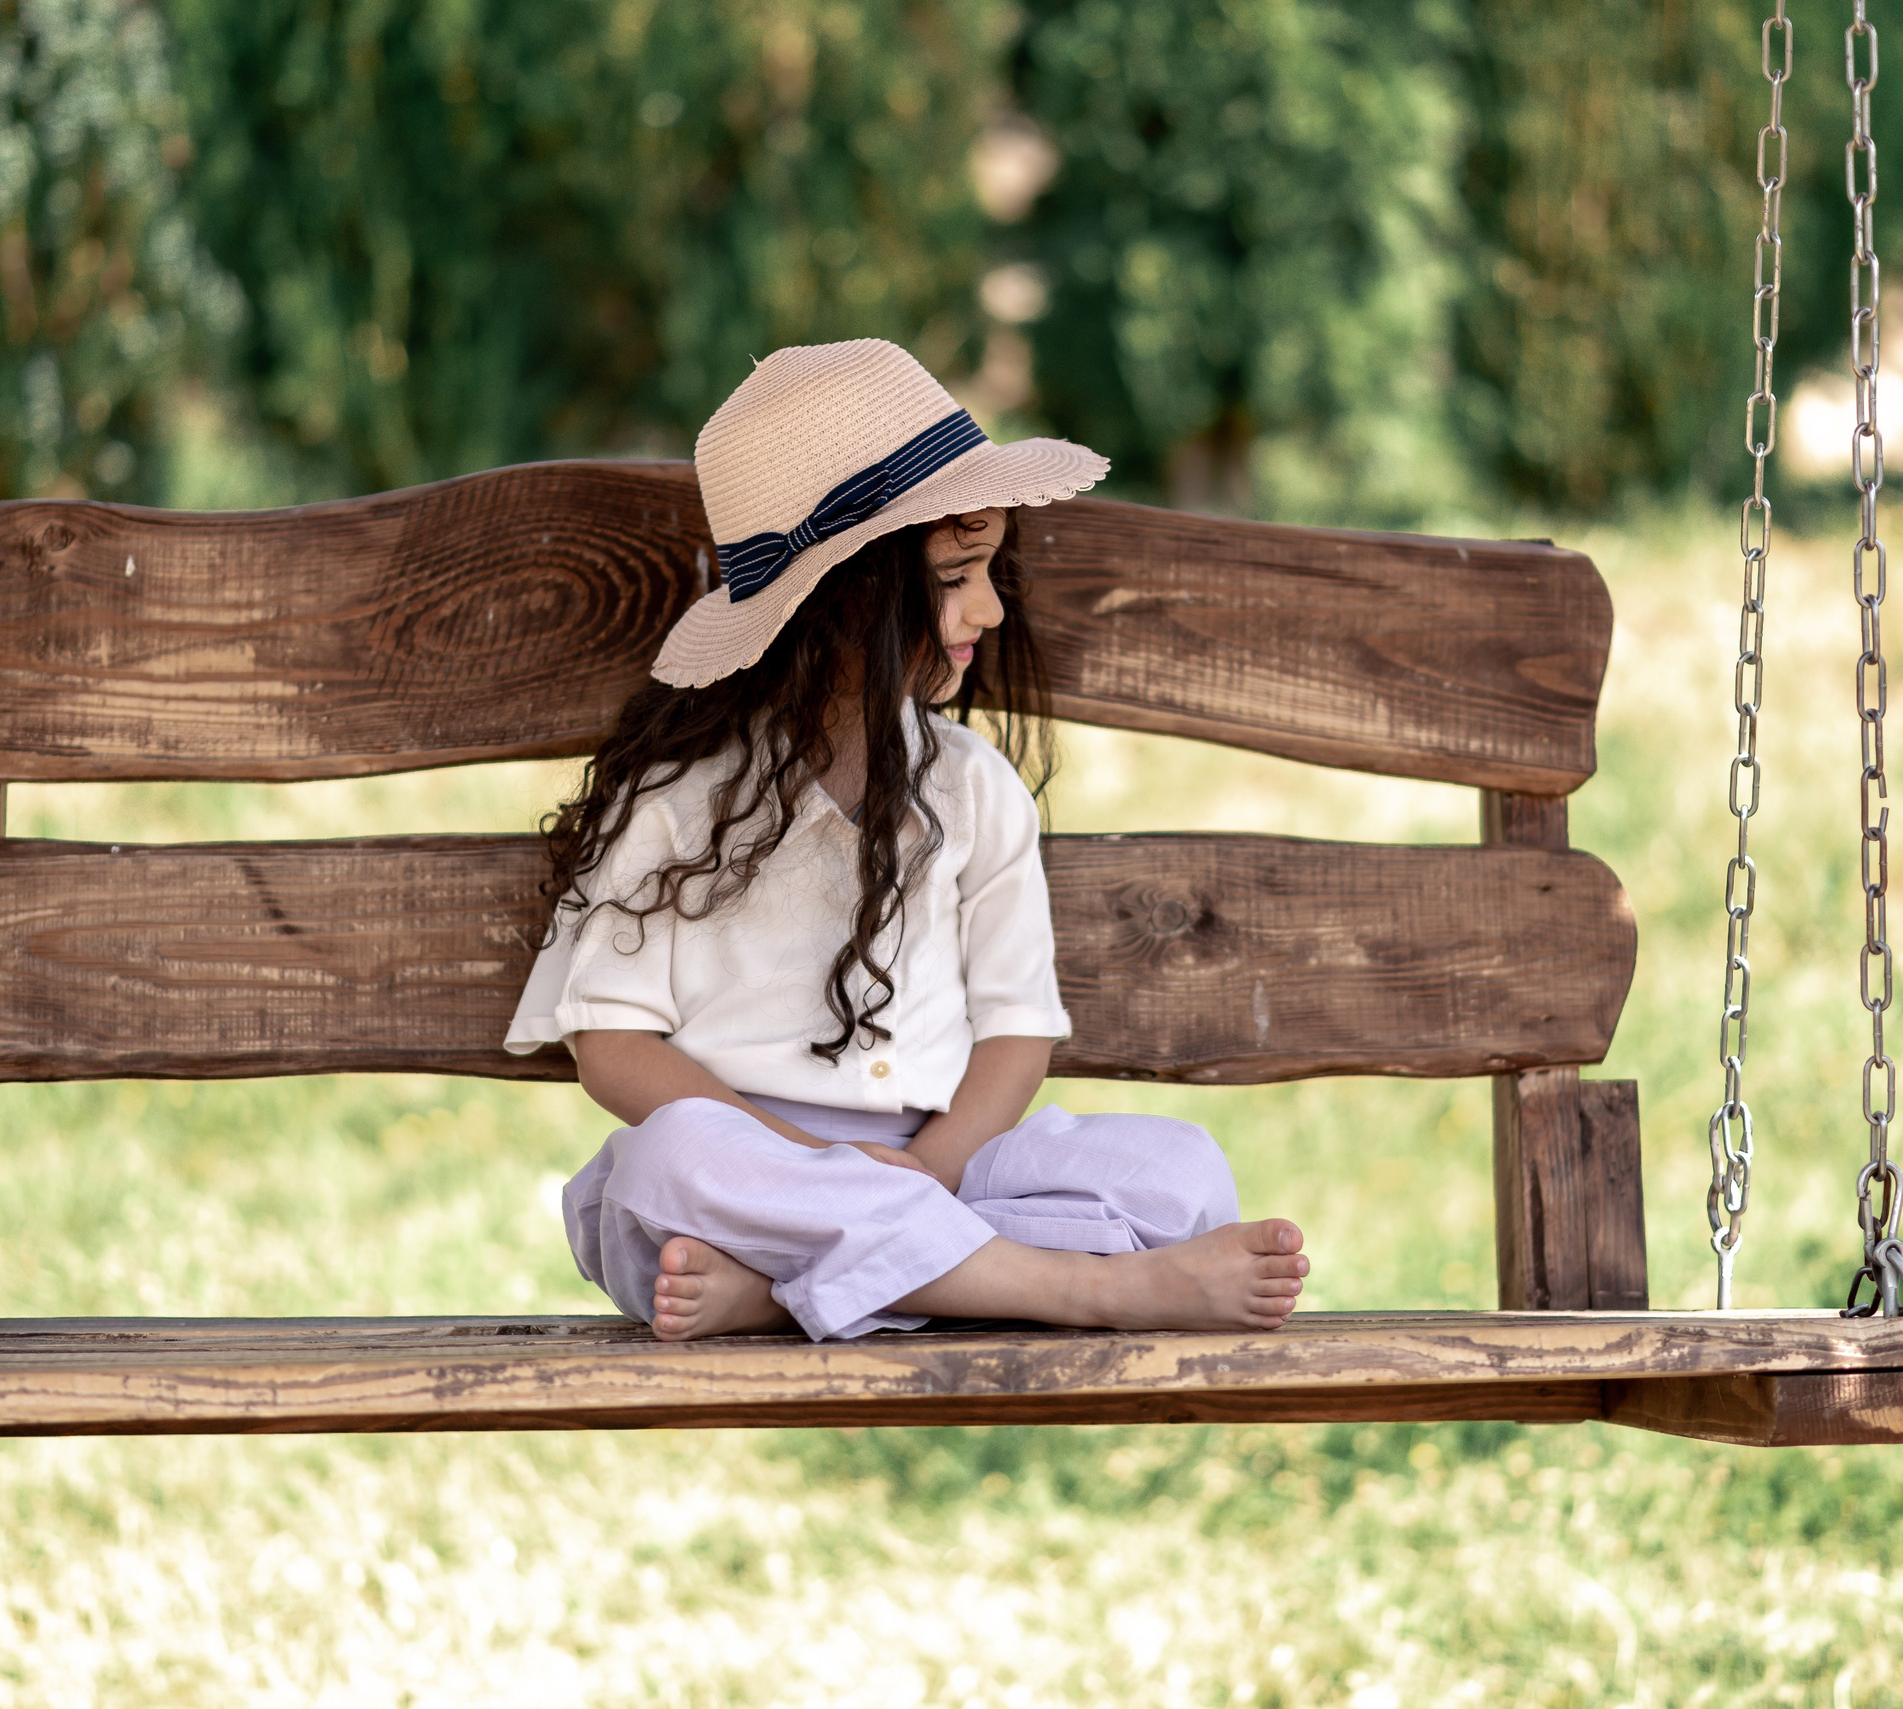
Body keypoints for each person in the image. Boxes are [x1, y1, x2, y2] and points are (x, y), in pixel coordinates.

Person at [506, 338, 1309, 1341]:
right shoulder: (675, 799)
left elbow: (1017, 1031)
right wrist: (814, 1166)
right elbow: (614, 1051)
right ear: (845, 598)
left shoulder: (973, 787)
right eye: (958, 576)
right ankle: (1080, 1287)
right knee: (664, 1166)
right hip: (752, 1168)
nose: (992, 606)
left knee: (1181, 1170)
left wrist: (925, 1173)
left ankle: (783, 1293)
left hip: (933, 1161)